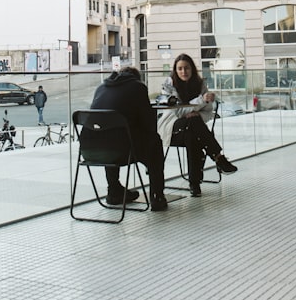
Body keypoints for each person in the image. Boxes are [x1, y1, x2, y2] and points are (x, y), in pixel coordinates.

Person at [88, 66, 168, 211]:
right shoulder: (138, 87)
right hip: (122, 150)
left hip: (90, 150)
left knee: (108, 138)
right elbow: (148, 123)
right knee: (155, 142)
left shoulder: (101, 88)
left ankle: (114, 191)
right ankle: (157, 196)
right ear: (136, 78)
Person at [158, 53, 238, 197]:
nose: (183, 72)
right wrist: (200, 101)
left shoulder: (200, 84)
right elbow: (179, 112)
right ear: (175, 71)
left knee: (192, 131)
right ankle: (218, 158)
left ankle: (194, 184)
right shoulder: (169, 86)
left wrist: (198, 114)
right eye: (180, 69)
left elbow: (208, 112)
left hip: (190, 130)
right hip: (172, 128)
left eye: (187, 68)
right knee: (193, 127)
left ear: (192, 69)